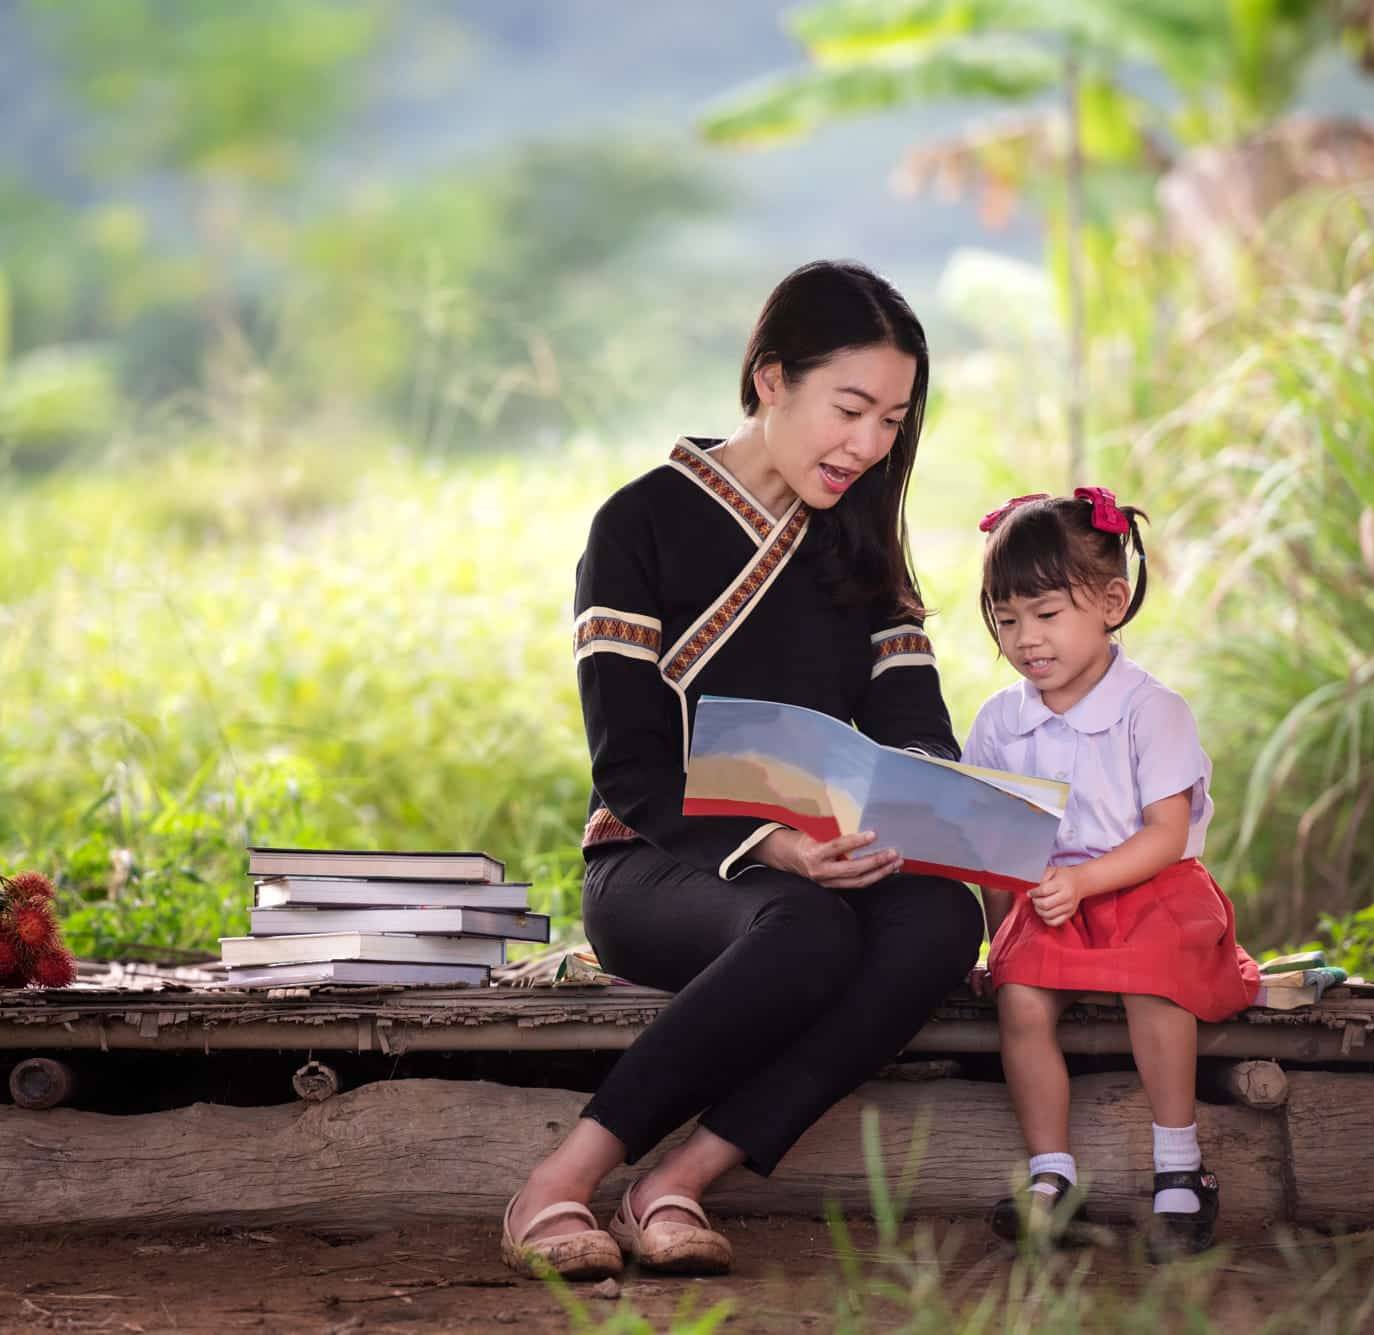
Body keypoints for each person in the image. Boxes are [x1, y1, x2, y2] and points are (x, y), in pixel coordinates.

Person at [499, 261, 984, 1280]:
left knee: (940, 922)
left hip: (818, 863)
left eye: (891, 421)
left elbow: (911, 727)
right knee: (803, 925)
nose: (867, 445)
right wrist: (777, 847)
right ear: (770, 380)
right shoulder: (636, 526)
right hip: (656, 865)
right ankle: (554, 1186)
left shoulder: (865, 553)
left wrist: (929, 808)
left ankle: (675, 1182)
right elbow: (628, 763)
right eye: (847, 409)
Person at [965, 490, 1260, 1258]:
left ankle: (1179, 1166)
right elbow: (996, 842)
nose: (1025, 639)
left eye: (1046, 614)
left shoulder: (1150, 709)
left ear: (1111, 602)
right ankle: (1052, 1174)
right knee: (1021, 997)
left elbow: (1166, 837)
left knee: (1153, 980)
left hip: (1148, 885)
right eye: (1006, 619)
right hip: (1053, 895)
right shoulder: (1002, 720)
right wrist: (1001, 936)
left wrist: (1089, 883)